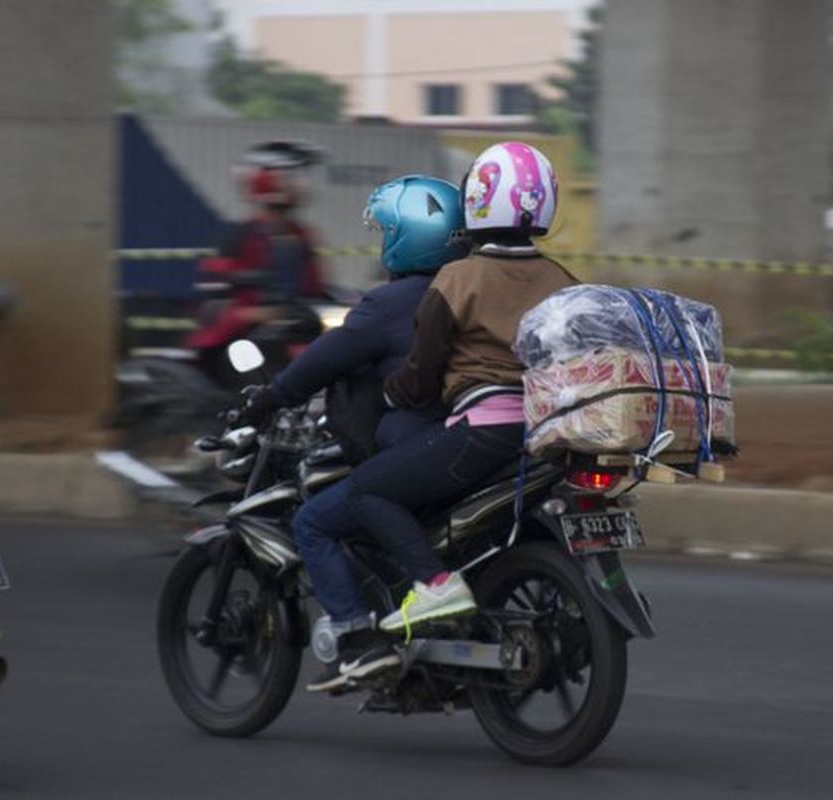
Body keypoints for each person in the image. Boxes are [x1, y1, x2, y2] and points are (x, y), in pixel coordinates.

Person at [304, 141, 576, 693]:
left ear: (477, 201)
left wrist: (392, 395)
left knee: (363, 493)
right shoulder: (563, 281)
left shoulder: (456, 279)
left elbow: (421, 376)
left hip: (482, 432)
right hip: (546, 431)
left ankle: (433, 583)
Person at [238, 175, 469, 682]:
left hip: (419, 449)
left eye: (387, 231)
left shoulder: (390, 304)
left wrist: (270, 397)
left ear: (410, 236)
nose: (382, 242)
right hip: (474, 445)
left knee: (314, 520)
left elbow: (322, 359)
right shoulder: (469, 287)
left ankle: (357, 637)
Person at [187, 140, 328, 379]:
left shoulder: (301, 235)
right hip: (244, 337)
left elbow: (317, 286)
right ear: (266, 180)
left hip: (296, 327)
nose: (301, 184)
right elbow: (215, 290)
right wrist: (260, 309)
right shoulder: (239, 235)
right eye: (291, 175)